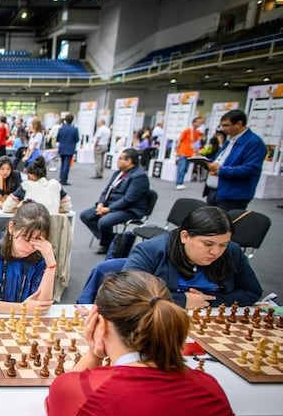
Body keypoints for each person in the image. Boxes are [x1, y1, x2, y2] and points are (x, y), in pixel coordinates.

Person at [0, 270, 238, 416]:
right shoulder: (210, 387)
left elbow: (55, 404)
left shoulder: (82, 392)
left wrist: (94, 350)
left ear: (99, 324)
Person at [124, 206, 262, 309]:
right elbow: (126, 292)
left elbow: (252, 292)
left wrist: (207, 301)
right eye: (208, 244)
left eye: (223, 245)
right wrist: (181, 300)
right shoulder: (151, 250)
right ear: (185, 236)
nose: (216, 252)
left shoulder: (232, 251)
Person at [0, 202, 56, 314]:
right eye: (25, 238)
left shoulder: (41, 257)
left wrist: (51, 266)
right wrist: (22, 309)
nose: (30, 246)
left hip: (23, 323)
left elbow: (41, 308)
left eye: (37, 240)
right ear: (11, 228)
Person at [80, 148, 150, 255]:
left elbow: (129, 199)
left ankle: (106, 244)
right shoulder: (119, 173)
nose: (117, 161)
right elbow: (107, 190)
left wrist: (108, 209)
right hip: (110, 205)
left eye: (120, 159)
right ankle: (111, 240)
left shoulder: (139, 177)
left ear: (129, 161)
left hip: (129, 209)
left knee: (104, 222)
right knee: (85, 215)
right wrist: (100, 203)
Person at [205, 109, 266, 211]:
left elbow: (250, 169)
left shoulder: (254, 143)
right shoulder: (230, 139)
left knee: (226, 224)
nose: (223, 129)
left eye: (226, 125)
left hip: (233, 195)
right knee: (208, 223)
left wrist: (220, 170)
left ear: (239, 124)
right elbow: (222, 160)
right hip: (215, 190)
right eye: (222, 125)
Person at [174, 115, 204, 190]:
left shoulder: (197, 133)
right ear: (193, 122)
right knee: (181, 168)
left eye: (200, 123)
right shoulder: (187, 131)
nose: (199, 124)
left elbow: (196, 143)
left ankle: (181, 182)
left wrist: (197, 151)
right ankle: (179, 183)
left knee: (185, 169)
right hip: (183, 152)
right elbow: (180, 140)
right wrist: (177, 151)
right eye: (198, 122)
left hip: (190, 153)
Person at [56, 114, 79, 186]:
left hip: (62, 147)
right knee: (66, 164)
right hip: (70, 148)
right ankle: (64, 179)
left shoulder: (61, 128)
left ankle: (61, 177)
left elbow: (58, 138)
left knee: (63, 163)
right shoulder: (75, 129)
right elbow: (77, 139)